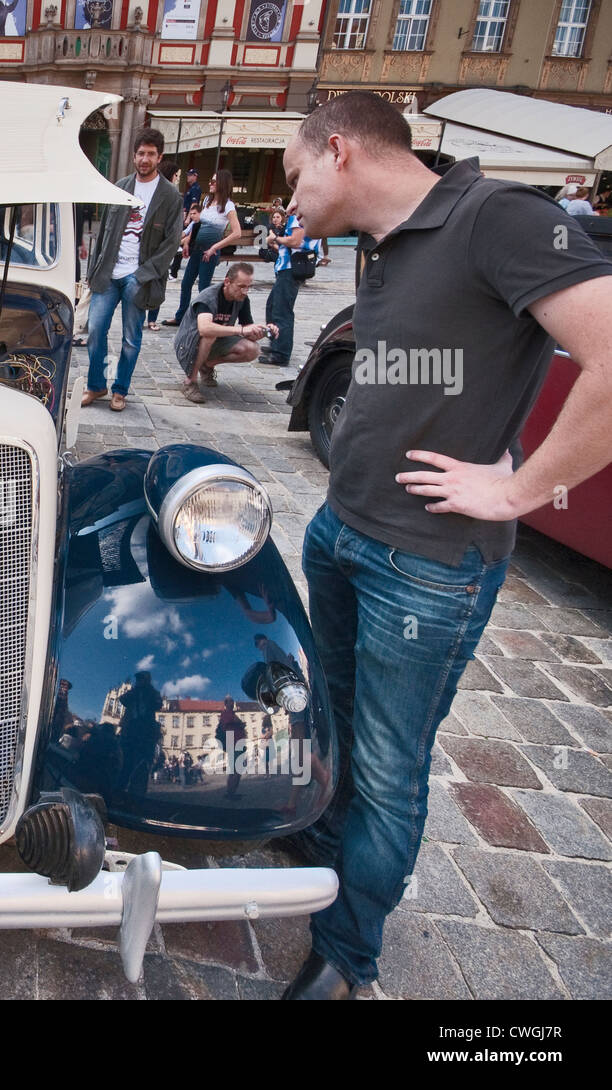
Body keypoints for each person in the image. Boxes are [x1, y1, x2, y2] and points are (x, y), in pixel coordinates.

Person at [276, 91, 612, 1000]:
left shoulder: (498, 216)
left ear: (337, 151)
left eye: (293, 175)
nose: (288, 199)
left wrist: (518, 487)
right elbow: (424, 364)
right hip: (343, 531)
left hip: (427, 568)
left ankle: (347, 956)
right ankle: (321, 840)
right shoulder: (383, 244)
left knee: (391, 765)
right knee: (335, 719)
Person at [81, 127, 183, 412]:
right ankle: (96, 385)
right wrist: (94, 270)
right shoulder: (120, 186)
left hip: (139, 276)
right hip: (109, 273)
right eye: (141, 153)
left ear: (160, 157)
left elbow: (171, 242)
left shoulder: (170, 196)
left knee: (130, 338)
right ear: (134, 156)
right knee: (95, 331)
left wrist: (142, 274)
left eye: (151, 154)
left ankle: (120, 389)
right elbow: (103, 232)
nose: (145, 159)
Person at [173, 262, 276, 404]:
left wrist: (263, 331)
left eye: (248, 287)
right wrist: (240, 330)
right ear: (227, 282)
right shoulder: (208, 297)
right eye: (241, 286)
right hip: (188, 344)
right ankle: (190, 381)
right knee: (210, 334)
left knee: (252, 349)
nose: (245, 291)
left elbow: (248, 332)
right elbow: (204, 328)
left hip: (215, 340)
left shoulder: (242, 299)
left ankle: (207, 365)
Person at [162, 169, 241, 328]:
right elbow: (197, 224)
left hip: (209, 251)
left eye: (214, 182)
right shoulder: (207, 202)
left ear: (222, 184)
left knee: (204, 287)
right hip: (197, 249)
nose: (210, 184)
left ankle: (204, 319)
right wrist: (187, 242)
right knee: (186, 283)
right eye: (211, 181)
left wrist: (214, 248)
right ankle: (181, 315)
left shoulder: (228, 206)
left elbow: (237, 233)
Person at [258, 203, 305, 367]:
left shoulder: (300, 217)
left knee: (281, 311)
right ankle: (275, 344)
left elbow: (296, 241)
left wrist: (274, 238)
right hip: (286, 267)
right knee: (272, 306)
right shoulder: (299, 216)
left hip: (290, 269)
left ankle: (281, 353)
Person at [145, 162, 181, 329]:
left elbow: (174, 232)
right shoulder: (158, 194)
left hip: (162, 251)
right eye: (177, 176)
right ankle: (147, 319)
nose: (178, 179)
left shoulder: (173, 197)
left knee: (158, 286)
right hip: (148, 248)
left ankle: (152, 319)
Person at [170, 167, 203, 279]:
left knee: (180, 245)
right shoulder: (191, 188)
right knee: (178, 242)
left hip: (188, 219)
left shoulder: (196, 188)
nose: (188, 177)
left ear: (195, 176)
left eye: (190, 175)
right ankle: (173, 270)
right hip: (185, 217)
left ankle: (174, 272)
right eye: (188, 175)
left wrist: (189, 217)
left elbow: (194, 204)